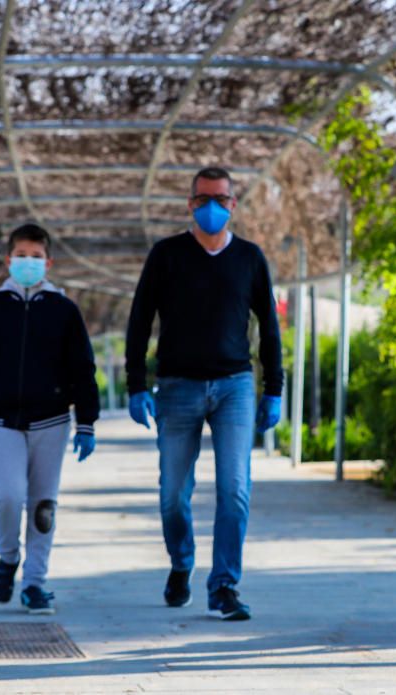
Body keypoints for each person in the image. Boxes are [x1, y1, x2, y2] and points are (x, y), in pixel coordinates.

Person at [125, 166, 283, 621]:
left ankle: (224, 586)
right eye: (202, 199)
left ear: (233, 205)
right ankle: (181, 562)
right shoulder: (166, 255)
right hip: (177, 387)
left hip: (234, 385)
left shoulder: (250, 258)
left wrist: (274, 389)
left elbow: (268, 328)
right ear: (190, 204)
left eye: (221, 198)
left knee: (235, 489)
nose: (211, 207)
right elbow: (139, 321)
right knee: (174, 493)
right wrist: (136, 385)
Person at [0, 223, 99, 615]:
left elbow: (83, 368)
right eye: (22, 255)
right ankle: (7, 559)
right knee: (8, 495)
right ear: (8, 260)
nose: (28, 262)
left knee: (42, 505)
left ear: (49, 262)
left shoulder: (64, 311)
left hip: (51, 419)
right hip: (0, 419)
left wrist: (87, 421)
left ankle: (35, 583)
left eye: (36, 257)